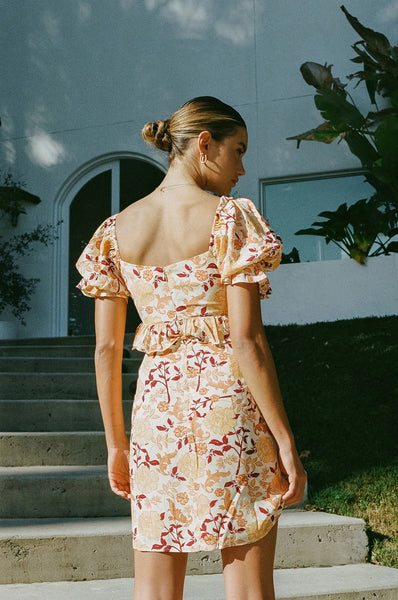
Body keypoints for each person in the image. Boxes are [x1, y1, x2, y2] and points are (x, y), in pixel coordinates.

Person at [76, 96, 307, 600]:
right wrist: (286, 440)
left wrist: (116, 444)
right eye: (238, 151)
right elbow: (246, 341)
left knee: (155, 589)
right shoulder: (230, 218)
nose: (243, 169)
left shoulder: (113, 233)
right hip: (227, 404)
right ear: (205, 144)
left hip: (155, 412)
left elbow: (106, 349)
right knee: (248, 585)